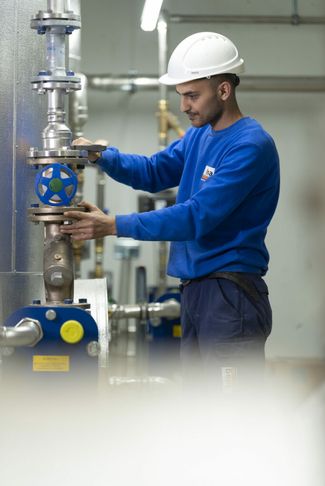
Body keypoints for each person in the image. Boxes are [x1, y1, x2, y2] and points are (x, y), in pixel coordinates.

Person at [61, 32, 280, 387]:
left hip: (230, 295)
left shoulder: (250, 146)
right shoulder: (199, 135)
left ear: (223, 90)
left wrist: (113, 224)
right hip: (196, 290)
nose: (184, 107)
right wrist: (102, 155)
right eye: (181, 96)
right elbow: (153, 171)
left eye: (192, 95)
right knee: (195, 408)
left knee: (230, 414)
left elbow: (195, 216)